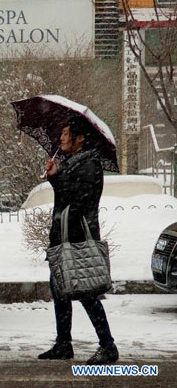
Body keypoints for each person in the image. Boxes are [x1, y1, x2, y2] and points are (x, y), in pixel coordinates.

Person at [39, 117, 119, 365]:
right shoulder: (74, 163)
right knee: (60, 290)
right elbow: (66, 195)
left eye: (66, 133)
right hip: (64, 236)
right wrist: (55, 175)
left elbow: (78, 202)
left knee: (86, 293)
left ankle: (108, 346)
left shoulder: (88, 165)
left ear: (80, 138)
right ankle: (63, 343)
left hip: (77, 238)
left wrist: (57, 178)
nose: (61, 137)